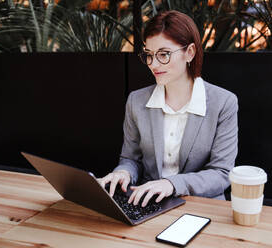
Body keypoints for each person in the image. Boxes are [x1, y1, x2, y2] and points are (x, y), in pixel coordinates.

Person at [99, 10, 238, 207]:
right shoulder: (136, 101)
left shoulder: (223, 103)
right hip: (148, 202)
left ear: (189, 52)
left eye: (163, 54)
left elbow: (222, 173)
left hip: (202, 205)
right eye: (149, 55)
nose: (153, 64)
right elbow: (131, 158)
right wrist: (123, 172)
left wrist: (171, 184)